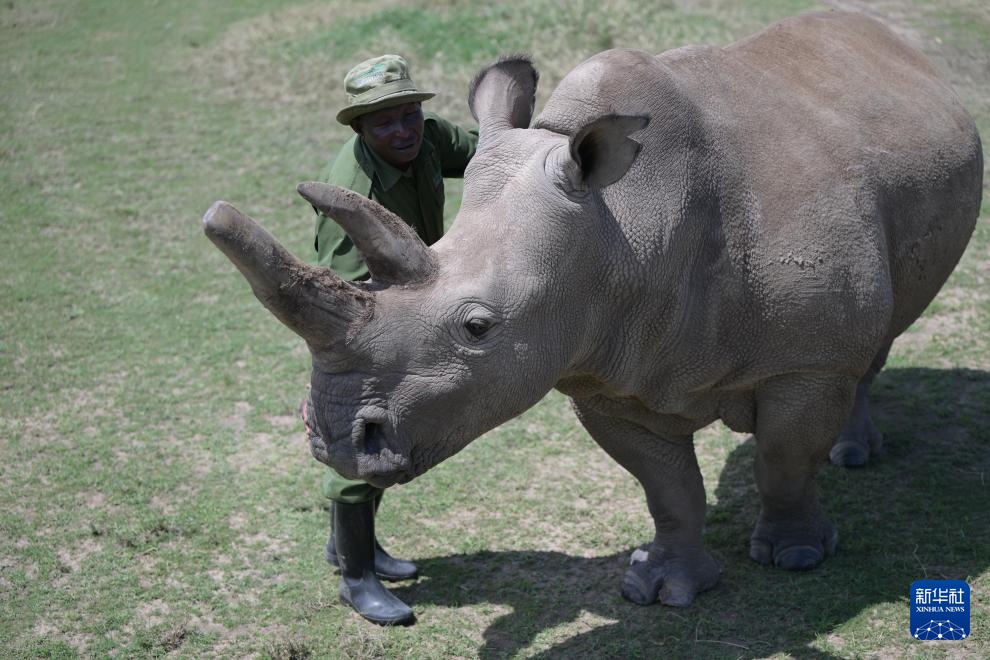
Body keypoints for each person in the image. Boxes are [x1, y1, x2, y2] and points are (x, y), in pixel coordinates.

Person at [302, 54, 478, 626]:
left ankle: (350, 547)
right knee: (363, 444)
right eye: (384, 123)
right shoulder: (350, 196)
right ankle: (356, 579)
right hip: (370, 329)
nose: (402, 131)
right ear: (359, 128)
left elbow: (486, 152)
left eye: (409, 114)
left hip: (417, 302)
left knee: (388, 439)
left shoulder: (428, 138)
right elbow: (344, 304)